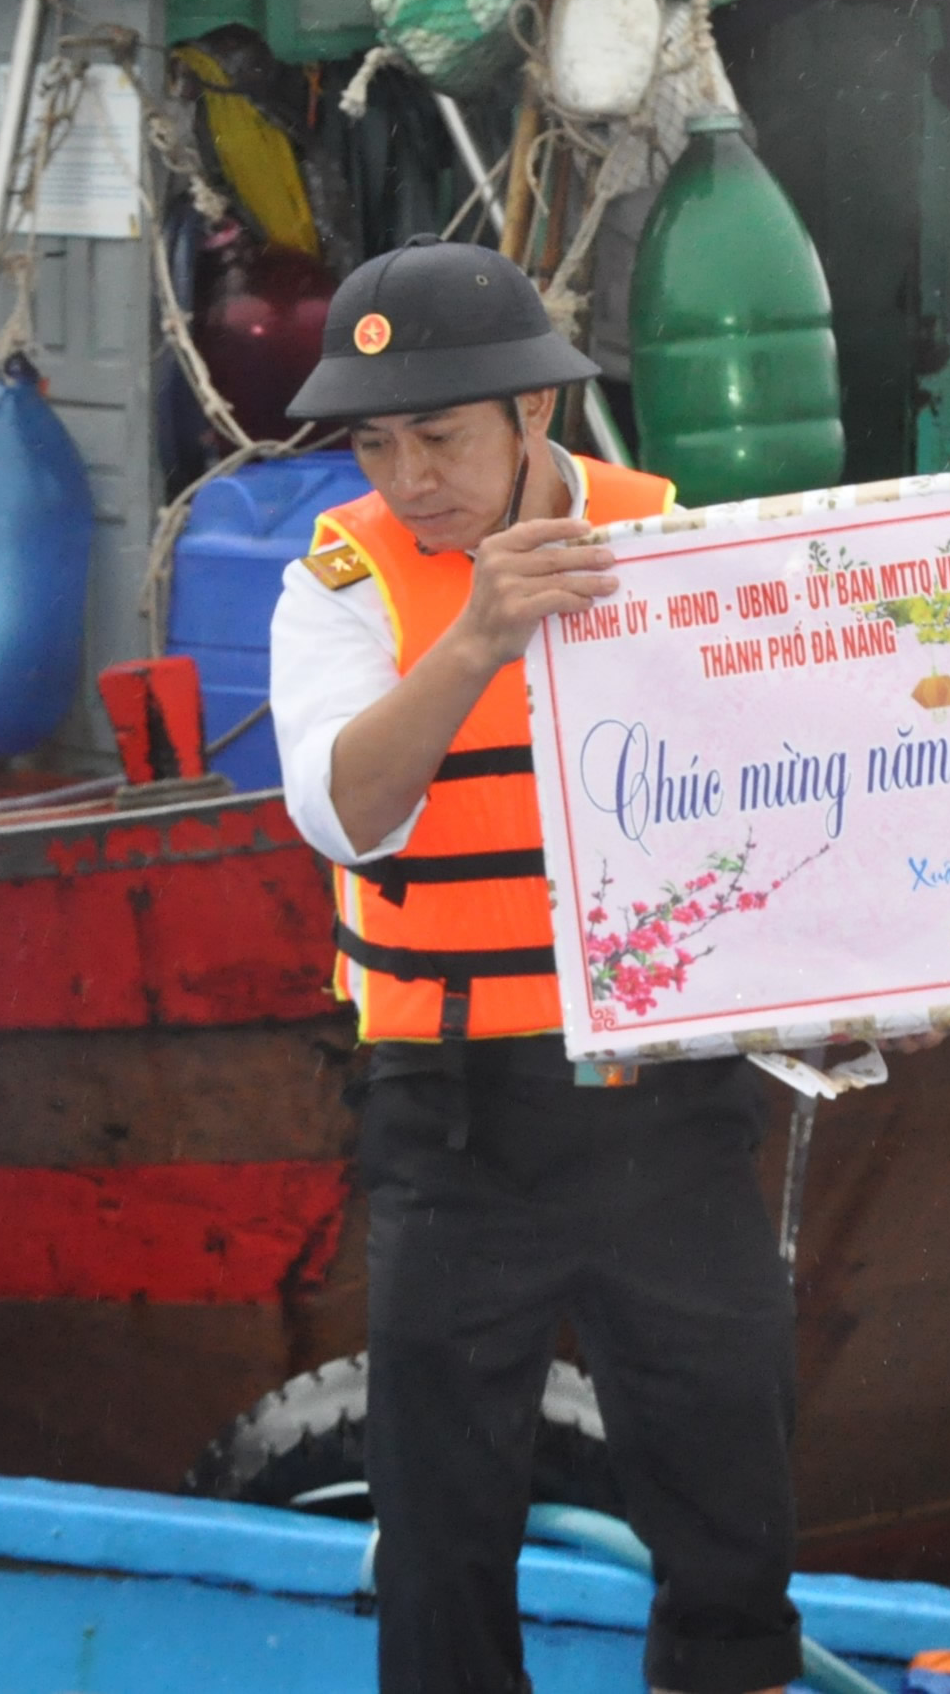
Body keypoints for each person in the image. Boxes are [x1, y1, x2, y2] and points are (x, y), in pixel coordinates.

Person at [269, 237, 804, 1694]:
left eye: (437, 433)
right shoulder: (337, 583)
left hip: (663, 1093)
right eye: (376, 442)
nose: (407, 475)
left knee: (727, 1481)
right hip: (450, 1111)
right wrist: (472, 642)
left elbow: (790, 803)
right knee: (442, 1505)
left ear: (532, 420)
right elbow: (342, 809)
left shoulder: (680, 545)